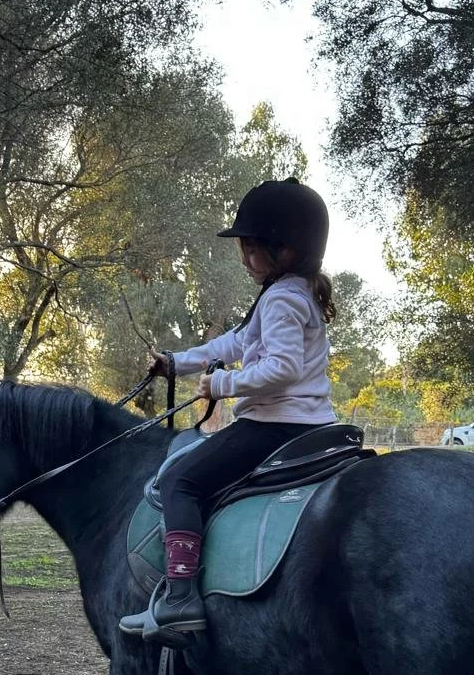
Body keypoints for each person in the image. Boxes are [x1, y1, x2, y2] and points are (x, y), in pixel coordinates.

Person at [120, 177, 337, 647]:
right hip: (311, 422)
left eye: (249, 248)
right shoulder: (292, 292)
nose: (242, 258)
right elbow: (237, 342)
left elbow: (281, 368)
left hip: (276, 425)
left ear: (281, 251)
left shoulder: (280, 298)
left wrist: (221, 383)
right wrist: (179, 361)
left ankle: (179, 599)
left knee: (180, 480)